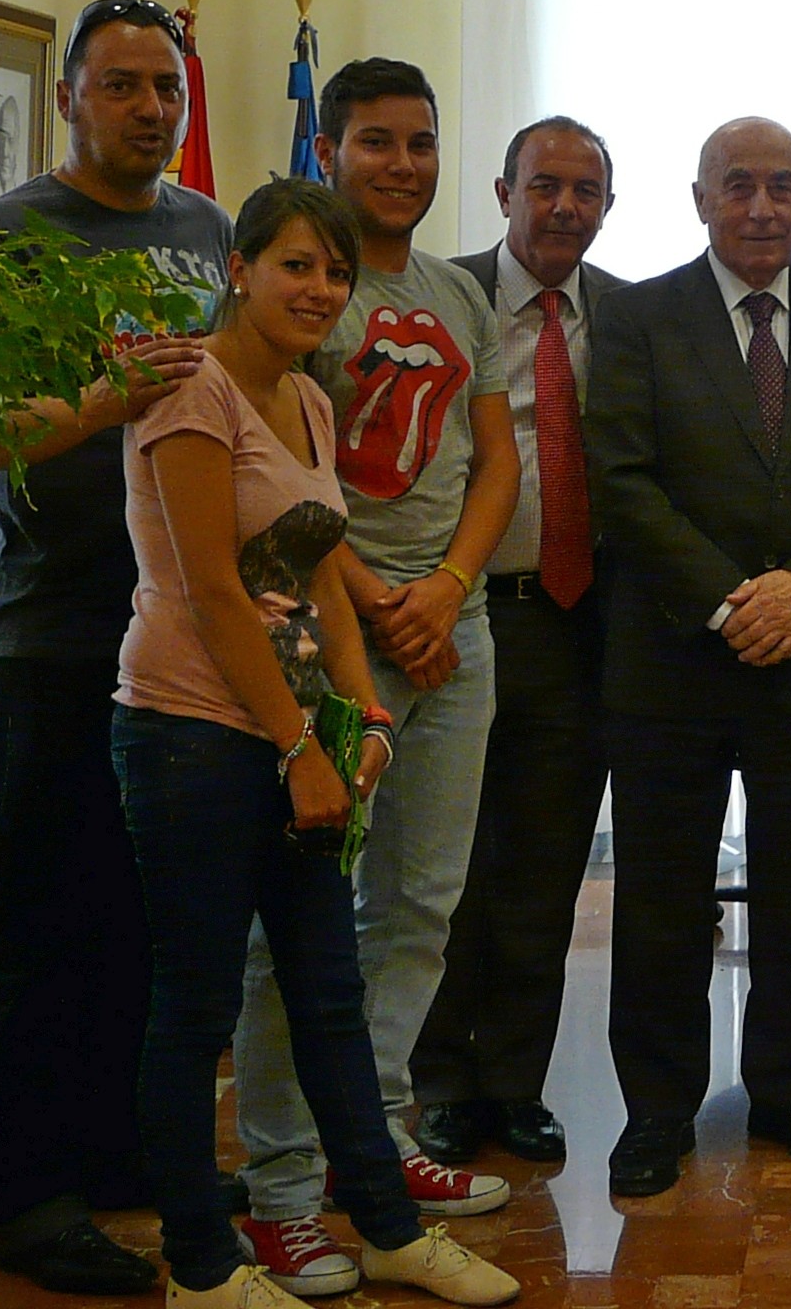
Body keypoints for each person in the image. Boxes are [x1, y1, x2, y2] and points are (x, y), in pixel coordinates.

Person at [114, 178, 519, 1309]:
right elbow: (214, 596)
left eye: (334, 272)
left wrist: (366, 715)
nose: (319, 288)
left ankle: (387, 1230)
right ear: (237, 268)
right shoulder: (191, 392)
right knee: (195, 1006)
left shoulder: (305, 398)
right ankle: (201, 1265)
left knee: (329, 990)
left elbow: (319, 577)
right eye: (295, 265)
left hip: (297, 729)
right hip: (192, 734)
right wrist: (299, 747)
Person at [0, 0, 231, 1294]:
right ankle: (29, 1197)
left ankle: (115, 1156)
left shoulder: (210, 229)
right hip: (43, 637)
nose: (151, 110)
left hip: (175, 633)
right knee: (48, 928)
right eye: (122, 87)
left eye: (167, 88)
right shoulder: (8, 235)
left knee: (144, 924)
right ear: (70, 98)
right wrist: (112, 397)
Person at [231, 60, 521, 1288]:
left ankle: (378, 1142)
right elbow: (275, 472)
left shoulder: (461, 291)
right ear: (328, 155)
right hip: (325, 631)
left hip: (454, 634)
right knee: (301, 927)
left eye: (420, 142)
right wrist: (381, 603)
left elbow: (494, 460)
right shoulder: (303, 288)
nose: (401, 164)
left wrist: (448, 588)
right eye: (374, 144)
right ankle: (281, 1188)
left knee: (419, 906)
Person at [586, 117, 791, 1193]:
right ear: (699, 199)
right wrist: (728, 602)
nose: (761, 207)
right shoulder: (634, 315)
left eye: (782, 186)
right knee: (662, 897)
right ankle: (657, 1113)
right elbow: (619, 479)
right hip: (672, 657)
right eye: (739, 187)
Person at [412, 118, 624, 1169]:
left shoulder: (629, 317)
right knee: (450, 864)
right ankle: (440, 1083)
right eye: (546, 186)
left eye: (586, 192)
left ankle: (514, 1085)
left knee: (546, 868)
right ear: (504, 192)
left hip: (579, 626)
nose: (565, 209)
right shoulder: (439, 296)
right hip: (460, 611)